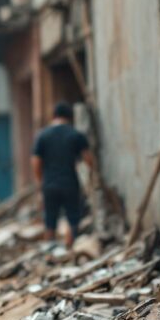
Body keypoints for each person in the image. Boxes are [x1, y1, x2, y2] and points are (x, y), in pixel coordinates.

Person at [31, 102, 94, 248]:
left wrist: (41, 181)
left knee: (50, 220)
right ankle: (71, 249)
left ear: (54, 117)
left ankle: (50, 251)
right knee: (73, 218)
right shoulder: (75, 135)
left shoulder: (42, 135)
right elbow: (88, 160)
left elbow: (35, 162)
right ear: (69, 117)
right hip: (70, 183)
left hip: (50, 184)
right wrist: (88, 176)